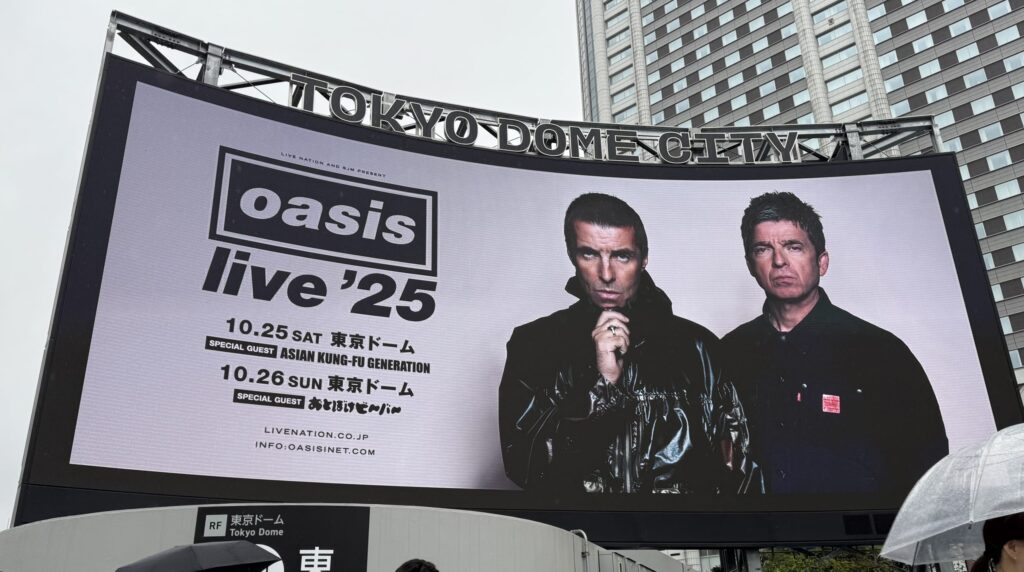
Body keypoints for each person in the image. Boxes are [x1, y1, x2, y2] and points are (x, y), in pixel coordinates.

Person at [498, 192, 752, 494]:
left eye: (622, 256)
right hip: (581, 538)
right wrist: (603, 386)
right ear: (571, 255)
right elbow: (526, 468)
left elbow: (738, 470)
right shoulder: (536, 345)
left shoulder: (699, 348)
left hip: (679, 538)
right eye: (589, 254)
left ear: (643, 258)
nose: (606, 274)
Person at [721, 191, 948, 494]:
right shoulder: (729, 353)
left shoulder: (879, 350)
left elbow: (928, 467)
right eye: (763, 249)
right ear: (751, 264)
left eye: (794, 247)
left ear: (822, 262)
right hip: (759, 536)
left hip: (862, 539)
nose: (779, 261)